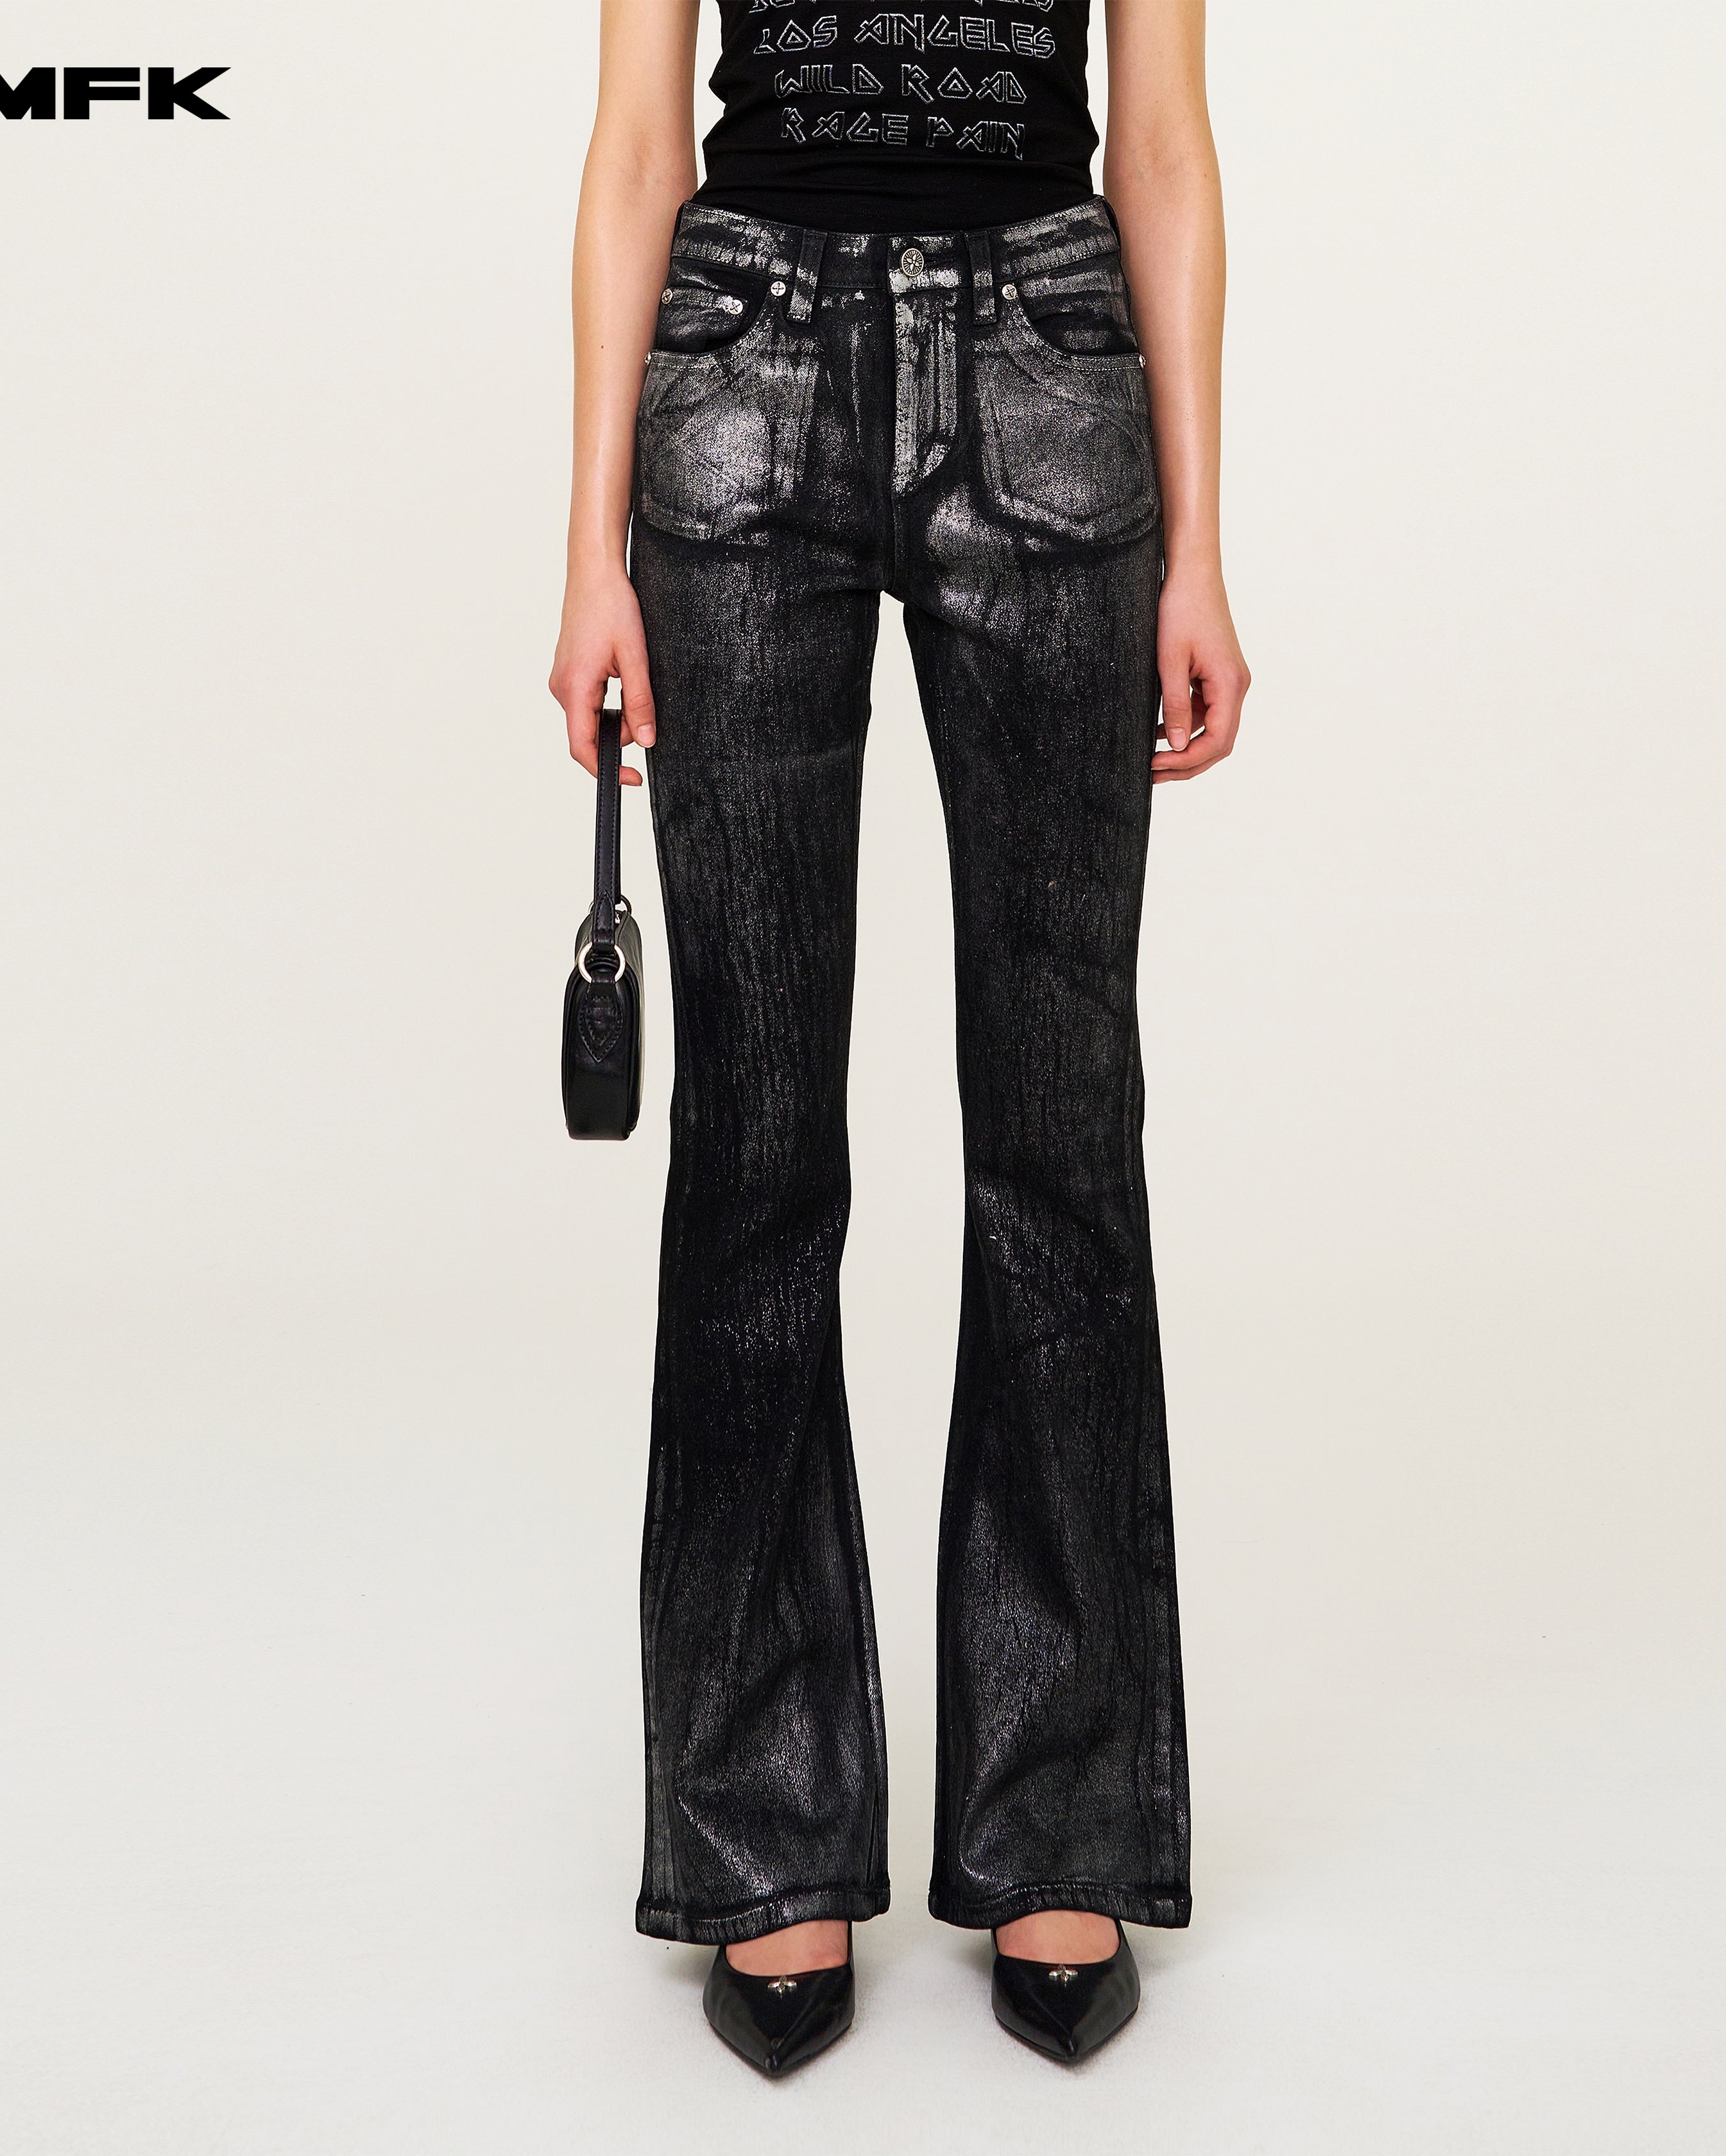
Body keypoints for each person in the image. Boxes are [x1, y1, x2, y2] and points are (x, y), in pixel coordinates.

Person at [550, 0, 1249, 2073]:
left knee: (1059, 1135)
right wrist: (585, 550)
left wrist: (1204, 545)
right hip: (741, 377)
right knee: (757, 1146)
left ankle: (1061, 1819)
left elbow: (1165, 147)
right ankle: (761, 1833)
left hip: (1050, 373)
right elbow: (635, 146)